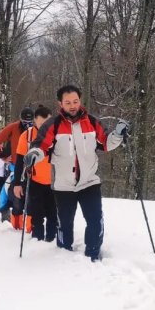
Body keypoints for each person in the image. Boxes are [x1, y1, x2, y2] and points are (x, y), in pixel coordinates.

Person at [25, 85, 128, 261]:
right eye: (68, 102)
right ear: (60, 103)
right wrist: (34, 154)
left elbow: (105, 143)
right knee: (64, 225)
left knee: (95, 221)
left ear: (80, 101)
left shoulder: (92, 122)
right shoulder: (53, 125)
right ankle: (65, 257)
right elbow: (40, 145)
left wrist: (118, 134)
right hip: (63, 185)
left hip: (89, 182)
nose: (72, 105)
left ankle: (93, 254)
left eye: (75, 101)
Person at [13, 105, 57, 242]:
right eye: (42, 122)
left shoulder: (56, 135)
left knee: (53, 214)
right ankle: (37, 241)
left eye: (49, 122)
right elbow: (20, 161)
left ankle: (51, 241)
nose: (45, 125)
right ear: (35, 120)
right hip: (34, 180)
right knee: (37, 215)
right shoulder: (26, 136)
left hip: (54, 181)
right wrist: (17, 184)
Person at [0, 106, 35, 223]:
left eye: (30, 123)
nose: (28, 126)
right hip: (15, 166)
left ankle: (32, 221)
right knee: (10, 190)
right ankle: (6, 212)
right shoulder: (13, 128)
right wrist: (2, 157)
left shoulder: (38, 128)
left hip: (33, 167)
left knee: (33, 196)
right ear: (20, 120)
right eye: (25, 123)